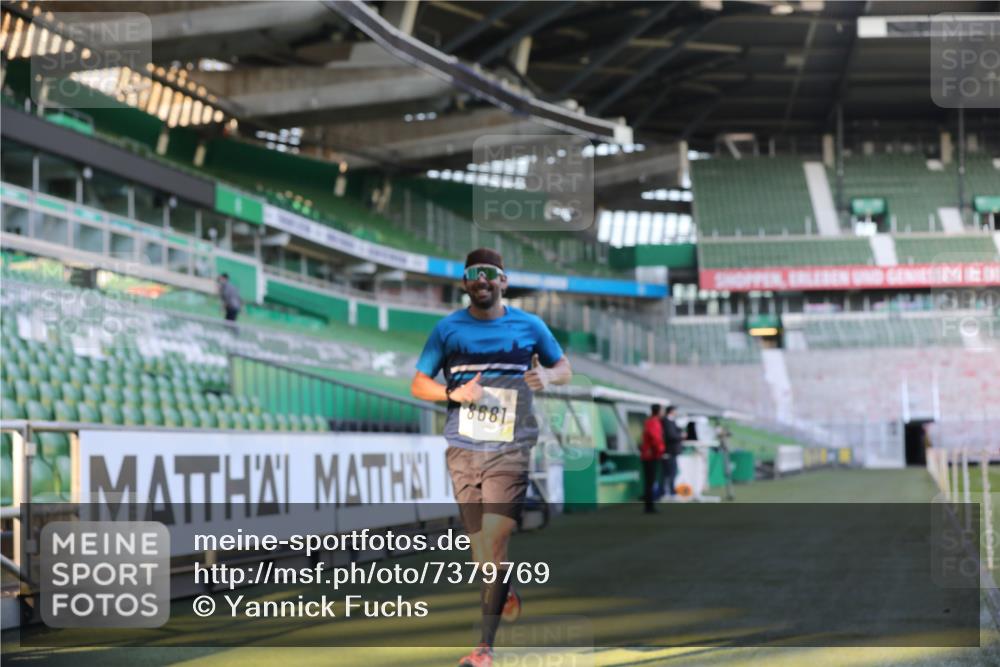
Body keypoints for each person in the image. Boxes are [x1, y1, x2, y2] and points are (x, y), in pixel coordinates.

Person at [410, 248, 572, 667]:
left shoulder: (530, 325)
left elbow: (564, 367)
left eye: (490, 274)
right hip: (463, 448)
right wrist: (453, 393)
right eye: (473, 274)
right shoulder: (447, 330)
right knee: (482, 551)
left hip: (511, 447)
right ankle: (505, 586)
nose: (482, 281)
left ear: (503, 281)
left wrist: (548, 375)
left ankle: (484, 649)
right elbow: (418, 383)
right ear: (465, 283)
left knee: (496, 540)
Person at [641, 404, 665, 513]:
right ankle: (649, 506)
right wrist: (661, 450)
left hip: (649, 455)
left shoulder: (650, 422)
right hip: (651, 455)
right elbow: (655, 438)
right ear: (659, 411)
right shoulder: (653, 422)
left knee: (650, 481)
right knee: (650, 481)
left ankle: (649, 505)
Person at [661, 406, 684, 498]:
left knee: (671, 472)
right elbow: (671, 436)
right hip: (669, 451)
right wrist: (680, 436)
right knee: (669, 472)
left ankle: (669, 491)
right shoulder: (666, 421)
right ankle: (669, 492)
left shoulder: (672, 421)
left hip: (672, 451)